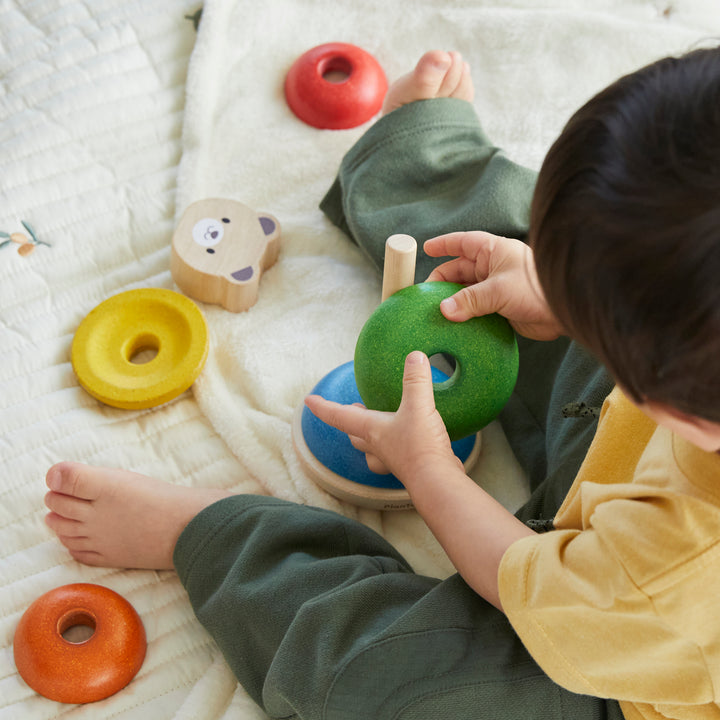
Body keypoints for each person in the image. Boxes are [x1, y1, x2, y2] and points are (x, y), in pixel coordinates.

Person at [43, 47, 720, 720]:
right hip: (640, 446)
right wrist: (554, 291)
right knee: (550, 266)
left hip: (623, 662)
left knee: (384, 682)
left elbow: (527, 581)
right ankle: (420, 165)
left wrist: (427, 469)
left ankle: (214, 536)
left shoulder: (679, 566)